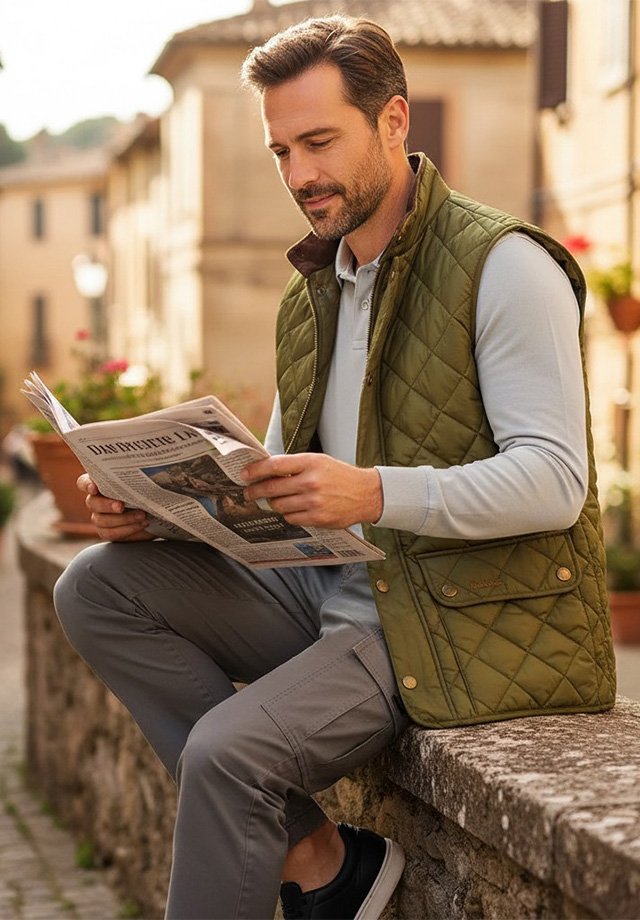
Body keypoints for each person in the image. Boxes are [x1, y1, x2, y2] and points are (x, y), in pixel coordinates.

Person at [53, 15, 616, 920]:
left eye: (320, 141)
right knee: (93, 586)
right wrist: (156, 510)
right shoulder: (311, 289)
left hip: (437, 618)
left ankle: (329, 868)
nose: (299, 175)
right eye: (281, 151)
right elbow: (277, 480)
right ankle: (319, 857)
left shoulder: (504, 265)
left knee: (227, 753)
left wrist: (374, 490)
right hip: (325, 590)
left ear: (395, 122)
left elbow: (556, 480)